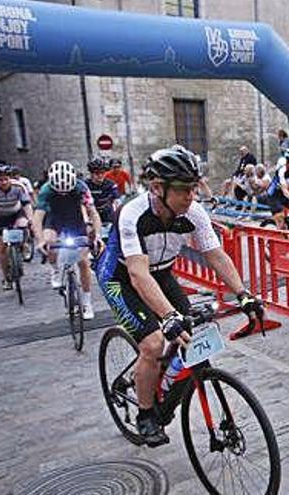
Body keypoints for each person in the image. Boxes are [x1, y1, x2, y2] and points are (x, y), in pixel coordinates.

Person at [94, 146, 263, 446]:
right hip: (122, 278)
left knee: (190, 332)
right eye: (185, 189)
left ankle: (159, 381)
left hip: (161, 274)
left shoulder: (194, 212)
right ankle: (145, 414)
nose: (192, 196)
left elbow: (216, 255)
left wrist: (244, 294)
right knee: (154, 342)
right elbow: (137, 274)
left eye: (195, 188)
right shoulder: (132, 213)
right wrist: (168, 316)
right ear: (158, 189)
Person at [33, 161, 103, 318]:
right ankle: (56, 269)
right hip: (54, 219)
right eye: (60, 191)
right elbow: (37, 219)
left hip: (75, 220)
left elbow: (93, 213)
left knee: (83, 262)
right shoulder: (46, 190)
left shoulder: (81, 188)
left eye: (67, 191)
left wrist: (97, 235)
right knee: (50, 240)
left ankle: (87, 302)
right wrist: (40, 240)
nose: (63, 194)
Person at [0, 164, 33, 290]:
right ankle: (6, 278)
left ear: (10, 178)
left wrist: (30, 219)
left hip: (16, 213)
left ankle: (24, 245)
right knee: (1, 249)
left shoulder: (19, 187)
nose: (4, 182)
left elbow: (26, 205)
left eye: (6, 179)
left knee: (23, 224)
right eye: (0, 179)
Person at [85, 157, 121, 224]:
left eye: (102, 173)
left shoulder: (111, 184)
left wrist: (118, 215)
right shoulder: (85, 185)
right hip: (91, 215)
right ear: (91, 173)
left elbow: (117, 201)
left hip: (108, 215)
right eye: (97, 173)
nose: (100, 175)